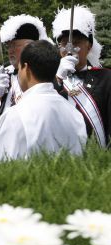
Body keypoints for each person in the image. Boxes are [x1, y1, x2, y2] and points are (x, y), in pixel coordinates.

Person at [0, 40, 87, 160]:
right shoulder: (74, 113)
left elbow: (1, 165)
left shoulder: (16, 114)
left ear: (26, 69)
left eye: (19, 68)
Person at [0, 14, 48, 146]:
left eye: (15, 45)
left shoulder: (44, 73)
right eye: (8, 46)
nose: (10, 51)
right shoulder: (3, 74)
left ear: (31, 47)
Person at [53, 5, 111, 147]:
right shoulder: (49, 80)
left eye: (76, 43)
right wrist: (57, 79)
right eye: (64, 43)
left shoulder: (106, 78)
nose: (69, 48)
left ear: (89, 46)